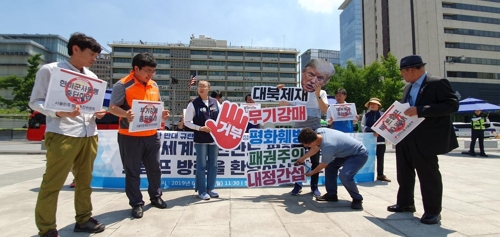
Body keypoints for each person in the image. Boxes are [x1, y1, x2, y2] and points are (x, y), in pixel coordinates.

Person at [30, 32, 106, 237]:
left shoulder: (92, 77)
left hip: (89, 132)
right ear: (75, 49)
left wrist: (97, 113)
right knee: (53, 182)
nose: (94, 59)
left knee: (84, 181)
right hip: (63, 132)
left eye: (96, 56)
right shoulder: (51, 70)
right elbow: (35, 101)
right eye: (91, 54)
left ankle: (83, 219)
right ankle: (46, 228)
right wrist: (57, 112)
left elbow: (90, 106)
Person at [387, 55, 458, 225]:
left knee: (428, 175)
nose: (402, 75)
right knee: (404, 173)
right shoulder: (408, 88)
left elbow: (452, 105)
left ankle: (433, 211)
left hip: (426, 138)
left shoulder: (436, 83)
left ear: (412, 70)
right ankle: (405, 203)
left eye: (403, 72)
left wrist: (421, 110)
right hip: (405, 136)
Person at [109, 52, 170, 219]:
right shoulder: (122, 85)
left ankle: (156, 196)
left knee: (155, 169)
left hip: (151, 135)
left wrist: (162, 114)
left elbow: (155, 107)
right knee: (133, 171)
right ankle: (136, 203)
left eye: (153, 71)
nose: (150, 75)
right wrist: (126, 114)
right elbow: (112, 107)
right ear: (136, 68)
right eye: (147, 71)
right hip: (129, 136)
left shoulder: (154, 85)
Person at [278, 58, 334, 197]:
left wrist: (317, 96)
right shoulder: (294, 92)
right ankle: (298, 185)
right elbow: (283, 107)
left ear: (324, 81)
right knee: (298, 158)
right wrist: (281, 93)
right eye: (311, 75)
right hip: (298, 129)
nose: (314, 81)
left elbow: (324, 110)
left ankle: (314, 186)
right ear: (303, 73)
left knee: (315, 159)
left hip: (315, 128)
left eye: (320, 78)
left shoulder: (321, 93)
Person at [296, 127, 368, 210]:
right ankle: (332, 194)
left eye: (307, 145)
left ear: (312, 141)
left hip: (358, 154)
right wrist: (302, 159)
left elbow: (323, 165)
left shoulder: (328, 146)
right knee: (331, 167)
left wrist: (311, 173)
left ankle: (357, 199)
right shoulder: (319, 132)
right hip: (344, 153)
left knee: (345, 176)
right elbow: (315, 148)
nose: (306, 146)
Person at [184, 80, 221, 200]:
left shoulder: (215, 102)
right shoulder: (193, 104)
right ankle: (201, 190)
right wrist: (200, 128)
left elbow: (222, 117)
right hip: (200, 140)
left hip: (214, 139)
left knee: (213, 165)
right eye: (199, 86)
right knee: (201, 165)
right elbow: (187, 122)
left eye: (204, 86)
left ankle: (211, 188)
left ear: (209, 88)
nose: (201, 88)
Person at [361, 98, 391, 182]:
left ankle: (380, 175)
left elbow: (387, 126)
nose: (372, 105)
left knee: (380, 158)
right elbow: (363, 127)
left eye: (374, 104)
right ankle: (365, 174)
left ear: (378, 105)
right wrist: (372, 130)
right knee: (368, 158)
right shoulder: (366, 115)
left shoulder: (384, 115)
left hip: (380, 140)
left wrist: (379, 131)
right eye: (371, 104)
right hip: (369, 141)